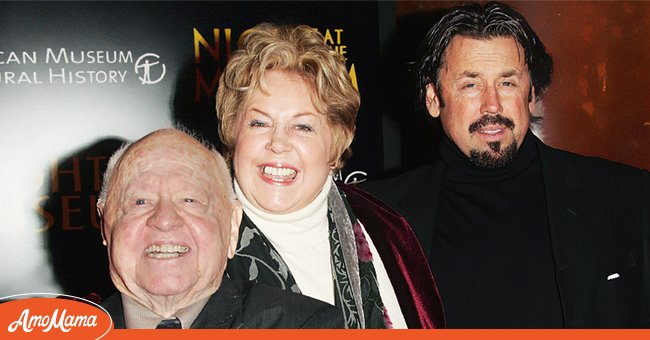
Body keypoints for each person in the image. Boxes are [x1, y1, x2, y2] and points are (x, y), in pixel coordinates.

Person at [362, 1, 650, 328]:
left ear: (531, 95)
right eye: (471, 84)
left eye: (507, 82)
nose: (492, 104)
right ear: (433, 98)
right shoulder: (377, 219)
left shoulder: (628, 199)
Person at [215, 23, 444, 328]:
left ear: (335, 143)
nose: (278, 143)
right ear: (233, 131)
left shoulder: (387, 230)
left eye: (303, 126)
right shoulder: (199, 243)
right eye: (259, 123)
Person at [96, 128, 344, 329]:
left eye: (190, 201)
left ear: (232, 226)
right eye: (140, 202)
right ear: (105, 223)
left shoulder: (306, 327)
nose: (164, 220)